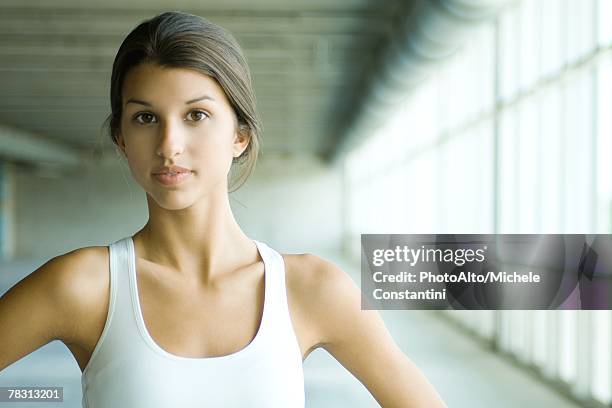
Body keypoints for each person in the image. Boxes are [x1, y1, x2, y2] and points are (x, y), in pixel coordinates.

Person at [0, 11, 447, 408]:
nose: (169, 145)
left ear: (240, 135)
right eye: (145, 118)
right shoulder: (84, 286)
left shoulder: (311, 290)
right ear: (121, 137)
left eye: (196, 115)